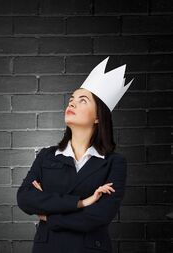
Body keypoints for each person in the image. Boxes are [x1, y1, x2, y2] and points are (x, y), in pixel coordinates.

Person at [16, 56, 133, 253]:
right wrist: (82, 202)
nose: (72, 104)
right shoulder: (47, 156)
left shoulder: (115, 163)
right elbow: (25, 198)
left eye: (82, 100)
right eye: (71, 100)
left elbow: (99, 216)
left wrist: (49, 214)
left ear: (97, 117)